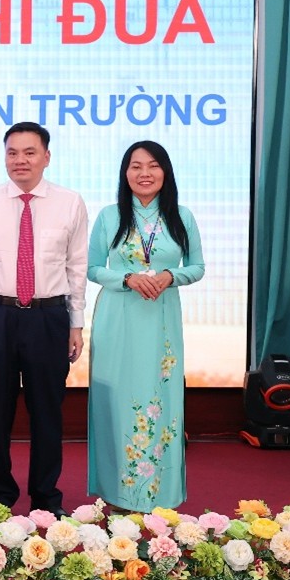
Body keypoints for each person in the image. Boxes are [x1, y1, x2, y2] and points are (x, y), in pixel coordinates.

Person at [0, 121, 88, 516]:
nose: (20, 160)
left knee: (47, 412)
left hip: (48, 317)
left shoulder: (70, 202)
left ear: (46, 157)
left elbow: (76, 266)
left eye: (29, 152)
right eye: (12, 153)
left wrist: (76, 323)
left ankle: (46, 498)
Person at [86, 140, 204, 511]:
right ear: (125, 174)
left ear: (165, 172)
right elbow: (93, 268)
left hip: (160, 321)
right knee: (116, 402)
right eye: (135, 166)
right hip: (117, 318)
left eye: (153, 165)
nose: (144, 173)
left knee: (160, 400)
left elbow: (197, 267)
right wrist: (126, 278)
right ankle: (116, 494)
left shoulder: (181, 216)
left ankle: (160, 496)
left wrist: (170, 275)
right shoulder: (110, 216)